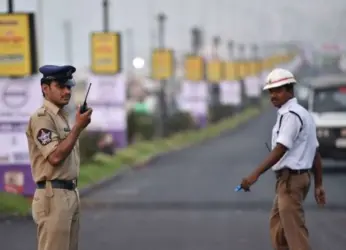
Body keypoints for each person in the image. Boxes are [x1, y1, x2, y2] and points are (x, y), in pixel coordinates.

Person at [239, 68, 326, 250]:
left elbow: (280, 149)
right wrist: (318, 184)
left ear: (289, 90)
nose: (273, 95)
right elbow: (315, 153)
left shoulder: (291, 116)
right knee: (279, 232)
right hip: (291, 181)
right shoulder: (303, 114)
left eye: (278, 90)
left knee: (296, 236)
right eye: (271, 91)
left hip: (291, 181)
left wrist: (255, 175)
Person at [25, 65, 93, 250]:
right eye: (61, 86)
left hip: (69, 193)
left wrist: (76, 126)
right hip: (53, 196)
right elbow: (55, 157)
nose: (67, 91)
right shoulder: (42, 118)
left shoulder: (60, 117)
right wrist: (78, 128)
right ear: (45, 88)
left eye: (69, 86)